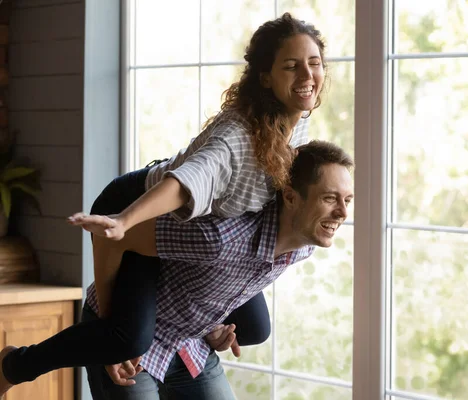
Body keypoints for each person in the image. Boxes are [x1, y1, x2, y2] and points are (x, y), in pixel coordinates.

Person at [1, 11, 327, 398]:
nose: (307, 75)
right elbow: (187, 181)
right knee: (125, 337)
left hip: (185, 221)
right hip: (138, 202)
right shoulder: (236, 139)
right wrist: (124, 220)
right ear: (265, 77)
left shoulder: (294, 119)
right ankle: (15, 363)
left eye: (315, 63)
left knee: (254, 327)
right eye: (291, 66)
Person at [0, 140, 354, 399]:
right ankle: (13, 364)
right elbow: (112, 238)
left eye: (347, 200)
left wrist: (214, 324)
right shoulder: (217, 237)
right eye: (329, 198)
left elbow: (234, 280)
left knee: (255, 328)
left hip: (190, 343)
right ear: (291, 197)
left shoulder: (304, 245)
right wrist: (111, 336)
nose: (342, 212)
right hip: (132, 336)